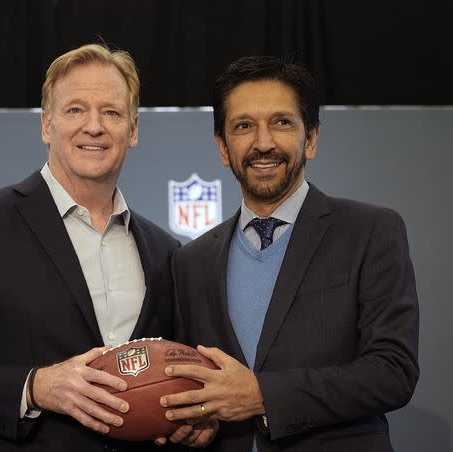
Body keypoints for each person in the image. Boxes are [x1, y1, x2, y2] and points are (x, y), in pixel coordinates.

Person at [0, 43, 185, 452]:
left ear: (134, 130)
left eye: (111, 112)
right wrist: (35, 386)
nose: (94, 126)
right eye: (75, 110)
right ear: (46, 126)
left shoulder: (165, 252)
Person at [160, 56, 420, 452]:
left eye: (281, 123)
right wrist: (194, 424)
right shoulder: (190, 261)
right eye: (243, 126)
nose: (263, 143)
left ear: (311, 138)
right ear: (223, 148)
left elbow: (392, 371)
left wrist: (262, 394)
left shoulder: (369, 232)